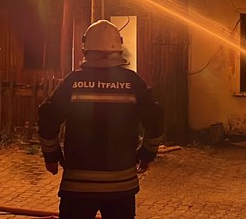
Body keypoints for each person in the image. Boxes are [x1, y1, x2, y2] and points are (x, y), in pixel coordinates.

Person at [38, 20, 165, 219]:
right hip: (121, 186)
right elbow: (155, 120)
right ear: (119, 47)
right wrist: (147, 154)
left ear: (85, 48)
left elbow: (48, 116)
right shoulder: (133, 82)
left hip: (77, 186)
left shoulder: (73, 81)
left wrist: (51, 156)